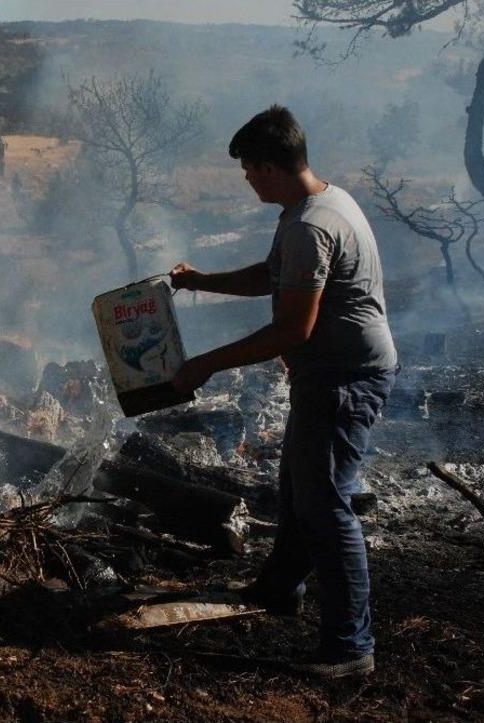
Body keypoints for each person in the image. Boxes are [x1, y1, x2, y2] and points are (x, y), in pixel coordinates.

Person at [170, 105, 397, 679]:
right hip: (331, 374)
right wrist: (201, 282)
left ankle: (351, 648)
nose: (247, 179)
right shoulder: (318, 205)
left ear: (269, 167)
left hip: (345, 379)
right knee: (299, 488)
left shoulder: (309, 227)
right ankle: (279, 588)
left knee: (326, 507)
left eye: (249, 169)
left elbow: (293, 329)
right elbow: (271, 277)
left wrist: (204, 365)